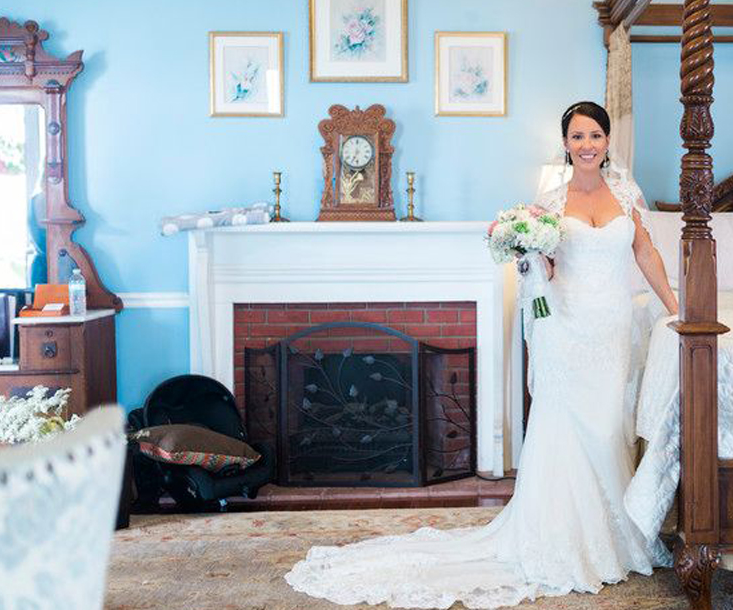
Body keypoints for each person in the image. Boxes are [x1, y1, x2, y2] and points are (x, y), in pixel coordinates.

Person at [285, 101, 678, 608]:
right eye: (578, 136)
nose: (587, 145)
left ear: (607, 142)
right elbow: (546, 266)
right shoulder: (550, 202)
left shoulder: (627, 193)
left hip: (610, 326)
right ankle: (561, 540)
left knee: (606, 425)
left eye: (596, 135)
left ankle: (614, 536)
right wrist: (531, 260)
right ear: (565, 144)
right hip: (565, 326)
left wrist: (674, 307)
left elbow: (645, 252)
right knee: (564, 427)